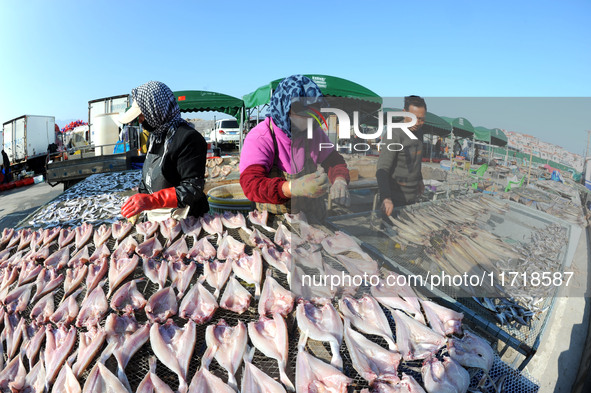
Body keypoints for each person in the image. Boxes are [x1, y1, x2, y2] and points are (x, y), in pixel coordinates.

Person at [239, 75, 350, 220]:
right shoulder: (261, 137)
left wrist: (340, 179)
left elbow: (334, 161)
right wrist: (291, 188)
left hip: (313, 217)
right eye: (301, 112)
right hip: (277, 221)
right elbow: (251, 184)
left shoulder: (314, 132)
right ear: (284, 107)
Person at [118, 81, 209, 221]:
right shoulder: (154, 137)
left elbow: (192, 188)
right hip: (158, 214)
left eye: (141, 115)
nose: (140, 121)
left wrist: (151, 200)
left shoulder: (189, 138)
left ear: (155, 110)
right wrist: (140, 198)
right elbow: (148, 174)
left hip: (185, 218)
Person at [376, 95, 426, 217]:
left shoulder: (419, 133)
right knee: (389, 234)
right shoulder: (394, 133)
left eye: (421, 119)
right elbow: (382, 169)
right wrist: (386, 198)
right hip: (394, 200)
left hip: (412, 198)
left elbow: (416, 160)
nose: (417, 123)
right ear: (404, 113)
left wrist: (419, 179)